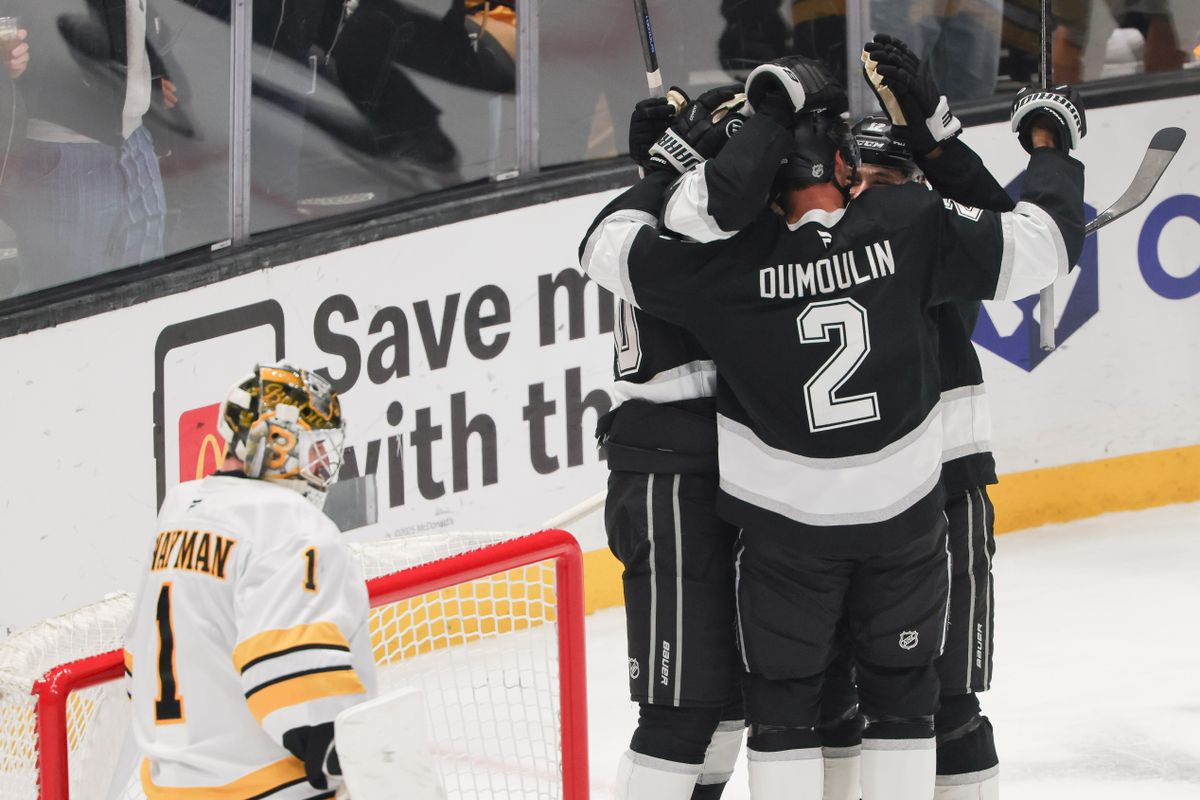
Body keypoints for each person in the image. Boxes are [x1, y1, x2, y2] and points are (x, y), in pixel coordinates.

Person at [580, 49, 1085, 799]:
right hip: (903, 514)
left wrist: (665, 169)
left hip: (777, 525)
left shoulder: (729, 258)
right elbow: (1037, 244)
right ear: (843, 167)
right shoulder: (911, 224)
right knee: (897, 701)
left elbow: (617, 243)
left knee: (784, 708)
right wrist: (1036, 148)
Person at [122, 361, 376, 797]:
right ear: (276, 444)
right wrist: (366, 760)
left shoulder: (181, 510)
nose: (322, 464)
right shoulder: (291, 526)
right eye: (315, 448)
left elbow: (135, 665)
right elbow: (297, 686)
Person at [605, 83, 755, 800]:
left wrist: (656, 165)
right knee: (678, 708)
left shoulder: (649, 212)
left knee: (726, 694)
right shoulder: (695, 228)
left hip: (709, 467)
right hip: (670, 479)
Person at [4, 0, 177, 295]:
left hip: (135, 139)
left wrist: (155, 75)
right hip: (65, 150)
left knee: (145, 300)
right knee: (69, 310)